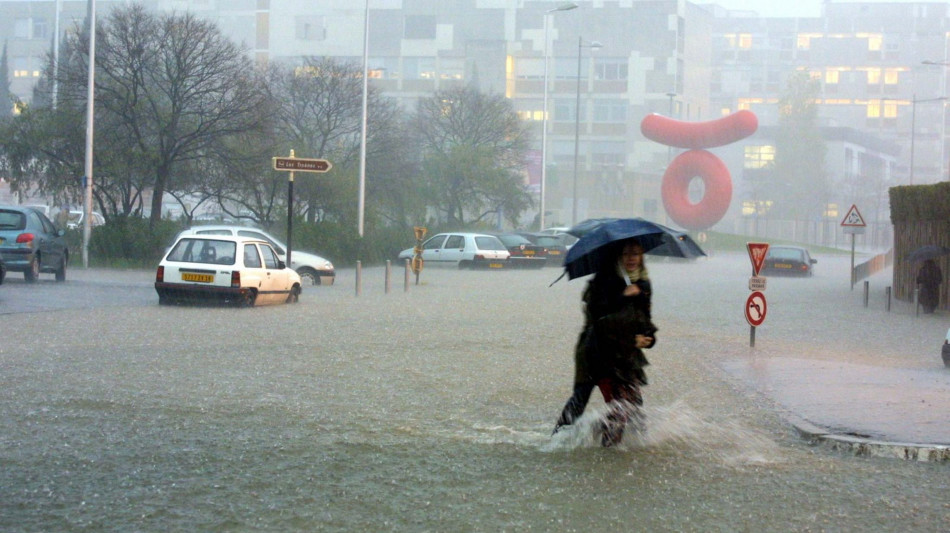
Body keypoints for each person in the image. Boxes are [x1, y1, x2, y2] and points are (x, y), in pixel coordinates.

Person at [553, 239, 657, 447]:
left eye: (636, 254)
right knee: (582, 397)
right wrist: (622, 296)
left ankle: (630, 443)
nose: (631, 258)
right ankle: (558, 440)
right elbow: (599, 317)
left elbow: (645, 319)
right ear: (618, 256)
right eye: (626, 254)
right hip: (597, 351)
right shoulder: (602, 281)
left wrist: (649, 338)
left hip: (626, 353)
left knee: (632, 404)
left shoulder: (643, 285)